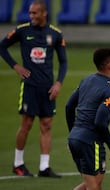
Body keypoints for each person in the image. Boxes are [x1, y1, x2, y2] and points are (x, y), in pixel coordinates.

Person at [48, 48, 110, 190]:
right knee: (95, 187)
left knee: (90, 184)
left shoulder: (86, 80)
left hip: (76, 137)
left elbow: (69, 106)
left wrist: (74, 132)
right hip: (91, 141)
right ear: (108, 65)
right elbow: (100, 122)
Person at [0, 0, 67, 178]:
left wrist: (58, 83)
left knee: (46, 125)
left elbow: (63, 61)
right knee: (26, 124)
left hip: (47, 88)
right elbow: (2, 46)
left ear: (44, 13)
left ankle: (44, 167)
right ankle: (18, 163)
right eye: (30, 13)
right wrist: (16, 66)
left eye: (35, 13)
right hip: (30, 86)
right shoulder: (22, 30)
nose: (31, 16)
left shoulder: (55, 34)